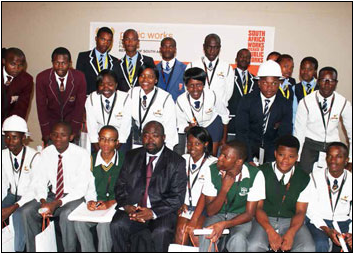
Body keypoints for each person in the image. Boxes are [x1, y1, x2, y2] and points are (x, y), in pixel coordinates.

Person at [110, 121, 187, 252]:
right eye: (146, 135)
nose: (150, 139)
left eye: (155, 135)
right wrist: (127, 206)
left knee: (161, 231)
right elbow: (120, 186)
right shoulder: (131, 156)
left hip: (161, 211)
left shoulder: (176, 161)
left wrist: (152, 212)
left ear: (164, 137)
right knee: (117, 225)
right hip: (134, 209)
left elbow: (177, 197)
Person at [21, 122, 92, 252]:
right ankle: (35, 249)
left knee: (66, 214)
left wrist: (56, 204)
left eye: (63, 135)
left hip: (73, 197)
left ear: (71, 137)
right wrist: (43, 202)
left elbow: (81, 189)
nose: (58, 138)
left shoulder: (82, 154)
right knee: (27, 211)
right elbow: (40, 180)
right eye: (54, 134)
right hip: (52, 195)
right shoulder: (46, 153)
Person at [248, 135, 315, 252]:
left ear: (297, 158)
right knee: (254, 246)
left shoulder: (303, 178)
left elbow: (300, 211)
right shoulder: (261, 172)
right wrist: (270, 231)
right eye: (281, 155)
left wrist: (291, 233)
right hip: (264, 220)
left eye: (291, 156)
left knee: (307, 248)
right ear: (275, 154)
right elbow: (258, 208)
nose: (285, 160)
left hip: (291, 221)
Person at [198, 140, 265, 252]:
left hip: (240, 217)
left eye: (225, 156)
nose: (219, 158)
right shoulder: (212, 170)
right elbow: (210, 211)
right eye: (220, 154)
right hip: (217, 215)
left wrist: (224, 224)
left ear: (239, 162)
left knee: (238, 239)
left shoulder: (255, 175)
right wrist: (224, 189)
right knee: (207, 234)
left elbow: (249, 214)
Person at [74, 126, 124, 252]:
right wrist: (90, 201)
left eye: (111, 140)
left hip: (116, 205)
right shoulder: (90, 159)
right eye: (102, 139)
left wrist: (111, 202)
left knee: (103, 226)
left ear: (117, 143)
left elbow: (128, 189)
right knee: (79, 223)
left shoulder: (125, 160)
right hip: (97, 205)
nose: (106, 143)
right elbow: (87, 185)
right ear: (98, 140)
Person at [294, 66, 352, 173]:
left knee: (331, 179)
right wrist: (297, 158)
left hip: (333, 147)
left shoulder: (343, 103)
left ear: (336, 83)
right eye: (323, 80)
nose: (327, 84)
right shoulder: (306, 102)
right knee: (305, 179)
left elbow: (351, 133)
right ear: (318, 81)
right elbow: (299, 132)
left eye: (331, 81)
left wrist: (351, 160)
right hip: (310, 145)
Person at [235, 60, 292, 165]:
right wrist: (248, 158)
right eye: (265, 83)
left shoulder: (286, 104)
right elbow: (242, 132)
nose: (269, 88)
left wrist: (273, 161)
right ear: (259, 83)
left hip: (272, 154)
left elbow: (284, 135)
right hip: (248, 150)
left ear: (279, 83)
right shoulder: (246, 101)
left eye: (274, 83)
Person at [1, 115, 40, 252]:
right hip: (12, 195)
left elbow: (35, 189)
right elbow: (3, 183)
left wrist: (13, 207)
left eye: (14, 137)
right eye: (6, 137)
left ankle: (18, 249)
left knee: (19, 214)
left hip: (31, 197)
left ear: (24, 138)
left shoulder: (35, 157)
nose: (9, 141)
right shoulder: (3, 155)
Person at [174, 126, 217, 246]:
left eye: (197, 143)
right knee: (181, 231)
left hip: (204, 209)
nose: (192, 147)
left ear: (206, 144)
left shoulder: (214, 163)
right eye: (189, 143)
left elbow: (208, 193)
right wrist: (179, 202)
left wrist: (194, 218)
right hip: (186, 206)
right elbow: (177, 185)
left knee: (195, 232)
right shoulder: (183, 159)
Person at [306, 142, 352, 252]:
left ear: (346, 160)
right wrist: (327, 229)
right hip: (319, 221)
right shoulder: (314, 177)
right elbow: (311, 210)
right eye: (330, 156)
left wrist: (351, 232)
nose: (333, 160)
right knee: (321, 244)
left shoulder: (350, 180)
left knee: (347, 245)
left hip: (343, 221)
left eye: (338, 156)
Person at [36, 47, 87, 147]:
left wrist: (74, 132)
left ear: (70, 63)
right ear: (52, 62)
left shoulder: (79, 77)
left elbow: (79, 106)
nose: (60, 66)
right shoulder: (42, 78)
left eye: (63, 63)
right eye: (56, 63)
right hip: (51, 127)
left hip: (71, 127)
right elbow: (41, 107)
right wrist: (46, 132)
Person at [176, 67, 229, 156]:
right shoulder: (180, 101)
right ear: (186, 86)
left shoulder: (212, 95)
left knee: (212, 155)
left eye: (199, 85)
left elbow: (224, 115)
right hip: (194, 128)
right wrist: (189, 128)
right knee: (193, 154)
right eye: (191, 85)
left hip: (212, 124)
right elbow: (181, 125)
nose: (195, 89)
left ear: (204, 85)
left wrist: (224, 139)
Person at [130, 64, 178, 150]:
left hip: (157, 143)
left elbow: (170, 128)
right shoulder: (132, 92)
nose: (145, 79)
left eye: (150, 76)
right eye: (142, 76)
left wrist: (167, 151)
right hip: (137, 141)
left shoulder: (165, 98)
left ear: (156, 80)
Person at [85, 69, 132, 153]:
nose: (106, 87)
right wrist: (98, 149)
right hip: (99, 140)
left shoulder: (125, 98)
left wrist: (114, 149)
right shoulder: (92, 98)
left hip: (119, 140)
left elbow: (125, 126)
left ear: (116, 85)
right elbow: (91, 125)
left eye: (110, 84)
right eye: (102, 84)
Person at [187, 33, 234, 108]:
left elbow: (228, 93)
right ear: (204, 47)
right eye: (209, 47)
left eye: (215, 47)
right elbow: (187, 89)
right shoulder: (192, 66)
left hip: (219, 112)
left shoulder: (227, 68)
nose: (212, 51)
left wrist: (218, 103)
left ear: (219, 48)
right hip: (197, 110)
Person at [76, 27, 120, 95]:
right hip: (88, 100)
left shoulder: (115, 61)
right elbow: (79, 82)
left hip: (107, 100)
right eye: (103, 39)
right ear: (96, 39)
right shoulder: (83, 57)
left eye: (109, 41)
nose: (105, 43)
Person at [228, 48, 258, 141]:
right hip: (231, 124)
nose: (244, 59)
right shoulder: (228, 76)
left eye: (247, 57)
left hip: (248, 127)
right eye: (241, 56)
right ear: (236, 59)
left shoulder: (255, 79)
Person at [1, 48, 33, 125]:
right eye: (13, 64)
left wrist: (12, 126)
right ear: (4, 61)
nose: (17, 69)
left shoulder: (26, 80)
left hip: (9, 124)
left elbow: (21, 108)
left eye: (20, 65)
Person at [156, 37, 186, 102]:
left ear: (175, 49)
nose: (167, 49)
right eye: (164, 46)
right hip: (159, 109)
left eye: (171, 47)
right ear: (160, 49)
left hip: (178, 109)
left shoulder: (185, 69)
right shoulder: (154, 69)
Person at [292, 57, 319, 124]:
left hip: (316, 129)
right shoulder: (294, 88)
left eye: (309, 69)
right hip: (299, 128)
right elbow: (294, 112)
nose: (305, 72)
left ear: (315, 71)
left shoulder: (321, 88)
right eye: (303, 68)